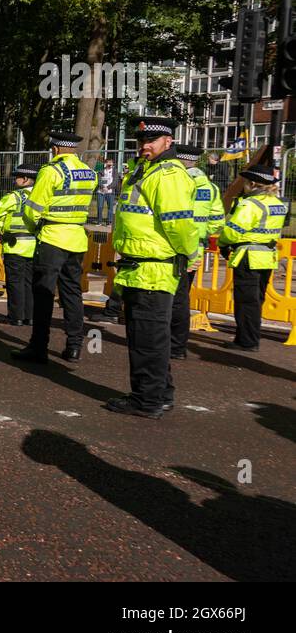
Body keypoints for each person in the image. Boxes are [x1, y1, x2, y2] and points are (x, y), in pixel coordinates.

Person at [104, 119, 198, 418]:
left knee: (147, 339)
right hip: (140, 267)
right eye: (142, 139)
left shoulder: (168, 175)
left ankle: (147, 400)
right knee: (149, 337)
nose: (145, 144)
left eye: (153, 139)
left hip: (153, 269)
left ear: (169, 141)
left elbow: (179, 224)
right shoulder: (146, 170)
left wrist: (187, 253)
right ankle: (159, 393)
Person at [12, 129, 97, 364]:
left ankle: (39, 346)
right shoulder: (89, 173)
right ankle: (74, 346)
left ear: (55, 148)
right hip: (77, 238)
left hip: (52, 237)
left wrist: (33, 229)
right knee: (72, 292)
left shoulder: (51, 171)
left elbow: (32, 209)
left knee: (44, 294)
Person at [218, 166, 288, 353]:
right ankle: (248, 337)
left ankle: (247, 341)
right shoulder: (277, 203)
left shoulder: (250, 204)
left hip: (248, 256)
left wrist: (223, 243)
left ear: (252, 183)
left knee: (246, 302)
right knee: (257, 300)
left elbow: (233, 231)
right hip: (267, 256)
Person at [169, 144, 224, 359]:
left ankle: (169, 345)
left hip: (175, 246)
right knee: (183, 296)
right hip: (197, 248)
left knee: (170, 296)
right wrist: (201, 234)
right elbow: (217, 222)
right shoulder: (210, 188)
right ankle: (178, 346)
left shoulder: (178, 184)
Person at [0, 164, 38, 326]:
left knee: (15, 282)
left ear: (25, 179)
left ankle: (15, 316)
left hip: (15, 245)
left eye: (16, 176)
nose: (14, 179)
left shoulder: (14, 197)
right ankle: (30, 316)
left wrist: (0, 221)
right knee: (30, 282)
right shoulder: (41, 196)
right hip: (34, 246)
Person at [95, 158, 117, 226]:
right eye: (108, 162)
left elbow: (115, 182)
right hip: (101, 192)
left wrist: (108, 187)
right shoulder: (101, 171)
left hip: (110, 192)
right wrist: (102, 187)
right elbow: (98, 181)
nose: (110, 164)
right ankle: (99, 222)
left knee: (110, 208)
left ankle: (109, 222)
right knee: (100, 207)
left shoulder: (115, 171)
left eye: (111, 162)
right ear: (105, 163)